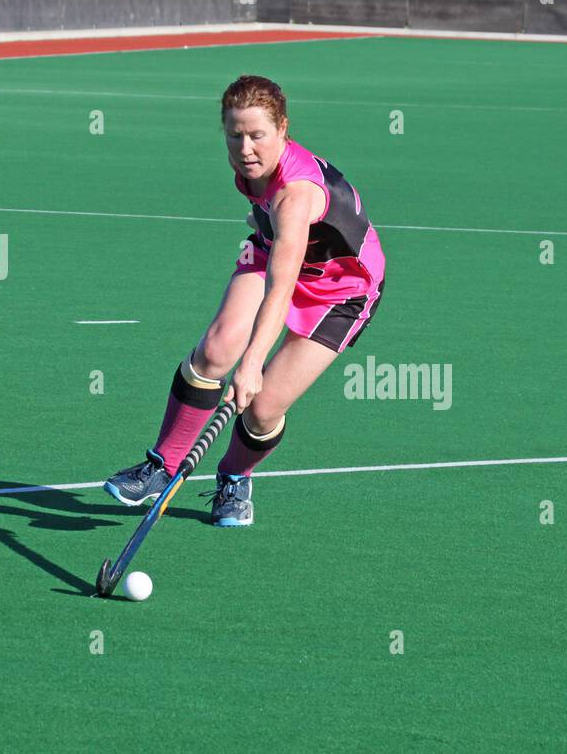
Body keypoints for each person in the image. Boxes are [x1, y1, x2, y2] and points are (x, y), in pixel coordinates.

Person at [104, 74, 387, 527]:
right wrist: (240, 355)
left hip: (342, 288)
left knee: (262, 408)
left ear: (283, 130)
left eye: (258, 135)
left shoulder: (295, 196)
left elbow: (281, 288)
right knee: (216, 350)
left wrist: (253, 362)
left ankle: (235, 477)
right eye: (235, 135)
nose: (246, 148)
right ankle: (163, 466)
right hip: (272, 248)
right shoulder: (249, 170)